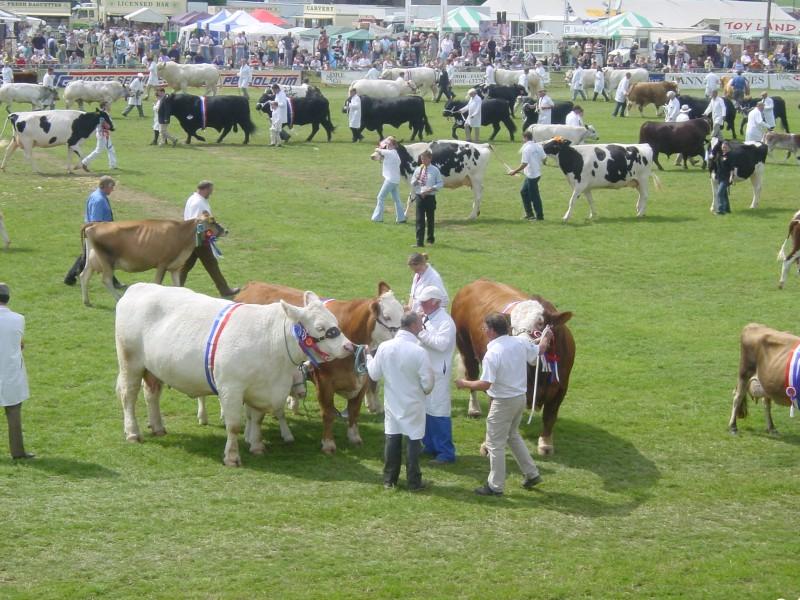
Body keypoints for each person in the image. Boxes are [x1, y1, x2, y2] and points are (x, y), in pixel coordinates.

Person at [455, 312, 553, 496]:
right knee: (512, 436)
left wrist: (464, 383)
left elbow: (486, 384)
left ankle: (495, 486)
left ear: (491, 331)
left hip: (502, 403)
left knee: (494, 444)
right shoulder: (520, 342)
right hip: (519, 399)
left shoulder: (493, 353)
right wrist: (546, 337)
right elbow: (539, 352)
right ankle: (532, 473)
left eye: (485, 328)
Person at [366, 311, 434, 491]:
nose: (421, 327)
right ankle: (414, 481)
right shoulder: (419, 351)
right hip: (413, 402)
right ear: (412, 326)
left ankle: (389, 480)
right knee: (413, 440)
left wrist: (367, 356)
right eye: (420, 324)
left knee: (392, 439)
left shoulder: (384, 347)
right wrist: (424, 390)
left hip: (392, 401)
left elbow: (373, 374)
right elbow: (428, 384)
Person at [415, 286, 456, 464]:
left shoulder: (446, 321)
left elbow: (441, 344)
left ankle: (446, 452)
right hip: (426, 370)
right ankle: (430, 445)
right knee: (426, 409)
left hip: (439, 371)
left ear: (436, 302)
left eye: (425, 302)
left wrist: (420, 332)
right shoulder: (428, 317)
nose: (421, 305)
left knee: (438, 410)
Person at [180, 181, 239, 297]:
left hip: (192, 238)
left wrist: (218, 227)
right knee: (212, 264)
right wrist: (212, 234)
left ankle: (176, 288)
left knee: (186, 266)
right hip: (199, 239)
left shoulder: (193, 198)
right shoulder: (199, 202)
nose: (210, 194)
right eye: (210, 191)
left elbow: (206, 217)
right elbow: (199, 221)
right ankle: (225, 290)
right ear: (205, 189)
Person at [64, 176, 123, 287]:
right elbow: (96, 221)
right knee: (102, 257)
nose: (113, 189)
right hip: (97, 233)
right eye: (111, 187)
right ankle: (113, 282)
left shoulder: (97, 195)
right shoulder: (99, 200)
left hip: (94, 232)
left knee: (87, 257)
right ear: (104, 186)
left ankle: (70, 278)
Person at [0, 283, 34, 460]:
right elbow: (19, 344)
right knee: (13, 414)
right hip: (11, 373)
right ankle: (18, 452)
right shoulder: (18, 318)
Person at [508, 130, 546, 221]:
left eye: (523, 138)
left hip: (531, 175)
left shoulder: (526, 148)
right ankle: (529, 214)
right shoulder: (538, 146)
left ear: (525, 138)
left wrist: (514, 171)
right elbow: (544, 158)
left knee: (534, 196)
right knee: (523, 192)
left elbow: (524, 163)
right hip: (535, 174)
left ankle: (539, 216)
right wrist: (542, 162)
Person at [410, 150, 444, 248]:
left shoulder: (435, 170)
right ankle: (419, 242)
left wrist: (431, 189)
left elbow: (440, 183)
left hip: (430, 197)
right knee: (419, 219)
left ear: (430, 158)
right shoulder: (418, 169)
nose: (423, 160)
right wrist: (416, 180)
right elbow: (412, 182)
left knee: (430, 219)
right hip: (420, 196)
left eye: (424, 158)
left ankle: (430, 239)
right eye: (421, 159)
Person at [371, 136, 405, 223]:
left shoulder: (390, 153)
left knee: (380, 197)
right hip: (395, 180)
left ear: (394, 145)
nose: (388, 146)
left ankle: (377, 218)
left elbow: (378, 150)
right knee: (397, 200)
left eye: (389, 144)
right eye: (387, 144)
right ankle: (401, 218)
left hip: (390, 180)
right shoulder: (394, 154)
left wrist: (379, 147)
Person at [77, 104, 116, 172]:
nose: (110, 107)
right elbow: (106, 125)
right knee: (98, 151)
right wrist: (110, 127)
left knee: (110, 149)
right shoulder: (103, 115)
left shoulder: (100, 114)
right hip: (103, 135)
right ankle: (84, 162)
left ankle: (113, 165)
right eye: (108, 106)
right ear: (104, 107)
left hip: (103, 134)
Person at [714, 141, 733, 215]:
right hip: (720, 177)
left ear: (728, 147)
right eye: (722, 147)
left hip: (726, 178)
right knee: (724, 194)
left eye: (725, 147)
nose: (724, 149)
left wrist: (731, 177)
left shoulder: (731, 156)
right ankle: (727, 209)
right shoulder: (720, 155)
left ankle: (721, 210)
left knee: (719, 193)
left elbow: (732, 168)